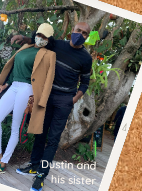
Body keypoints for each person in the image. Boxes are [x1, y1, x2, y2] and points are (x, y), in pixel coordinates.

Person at [11, 22, 93, 191]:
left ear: (87, 37)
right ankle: (34, 165)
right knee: (40, 132)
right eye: (78, 30)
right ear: (72, 31)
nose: (80, 34)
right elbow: (40, 40)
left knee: (53, 139)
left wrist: (74, 99)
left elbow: (85, 82)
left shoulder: (86, 58)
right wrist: (24, 38)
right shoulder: (58, 45)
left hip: (64, 101)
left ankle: (41, 175)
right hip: (46, 97)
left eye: (84, 33)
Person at [0, 23, 56, 175]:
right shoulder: (26, 47)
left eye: (43, 37)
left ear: (48, 39)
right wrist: (5, 85)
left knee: (15, 127)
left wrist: (40, 100)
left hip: (28, 88)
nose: (40, 38)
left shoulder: (49, 55)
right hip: (13, 86)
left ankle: (3, 163)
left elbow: (48, 80)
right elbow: (15, 69)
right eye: (39, 34)